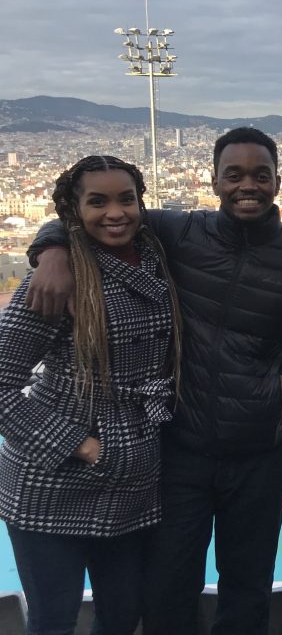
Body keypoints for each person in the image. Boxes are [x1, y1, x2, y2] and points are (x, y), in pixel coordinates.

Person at [27, 128, 282, 635]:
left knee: (248, 586)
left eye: (260, 175)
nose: (247, 185)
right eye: (234, 175)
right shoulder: (179, 231)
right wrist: (51, 251)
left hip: (261, 451)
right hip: (179, 449)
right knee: (167, 586)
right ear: (214, 181)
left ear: (278, 181)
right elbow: (95, 216)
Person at [0, 156, 181, 634]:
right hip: (51, 481)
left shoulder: (158, 257)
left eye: (127, 199)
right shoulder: (58, 281)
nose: (115, 213)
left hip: (132, 479)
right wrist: (82, 445)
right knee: (54, 620)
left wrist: (51, 244)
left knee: (123, 615)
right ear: (75, 211)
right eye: (97, 202)